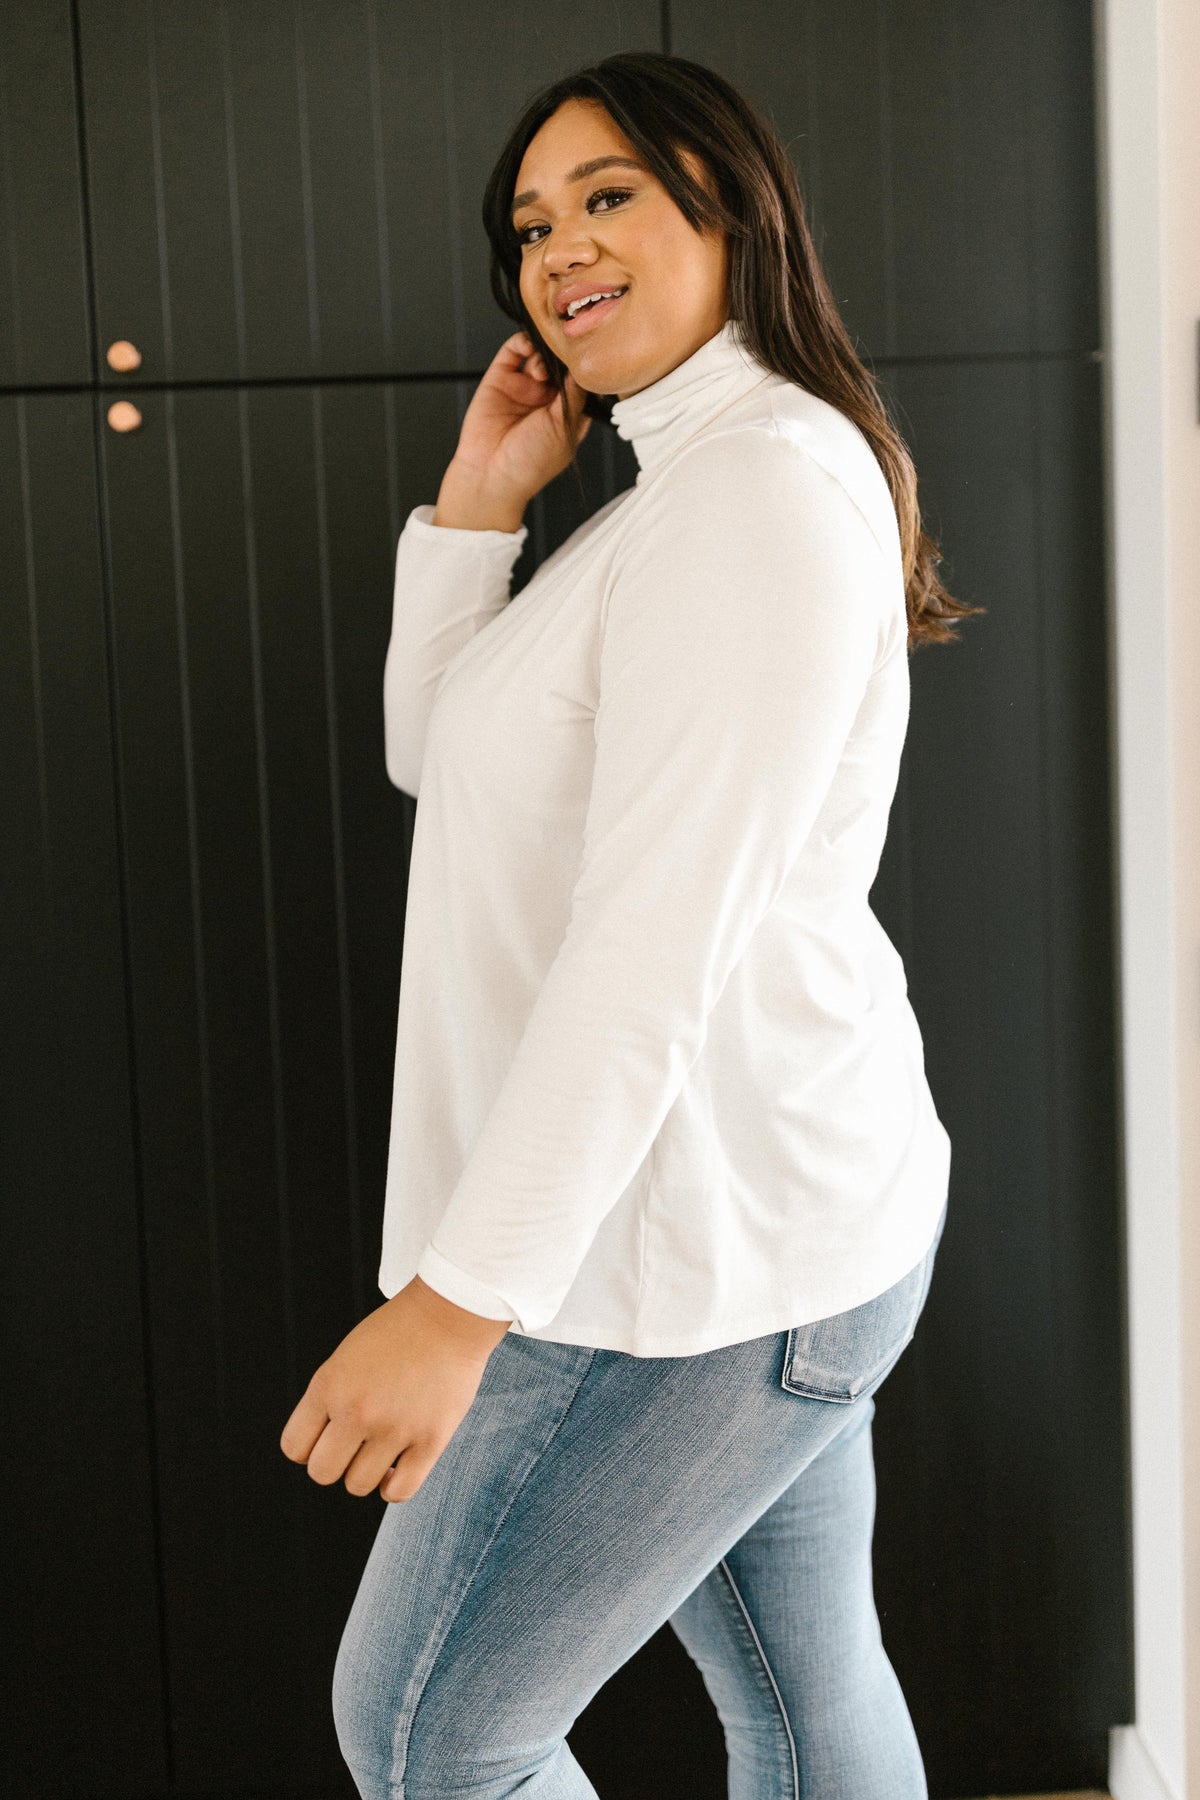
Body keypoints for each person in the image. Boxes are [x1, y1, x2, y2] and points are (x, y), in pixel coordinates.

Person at [280, 49, 981, 1800]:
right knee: (805, 1696)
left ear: (731, 211)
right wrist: (480, 503)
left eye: (608, 197)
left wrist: (457, 1305)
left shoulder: (755, 489)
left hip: (698, 1269)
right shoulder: (684, 488)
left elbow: (649, 948)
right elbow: (441, 754)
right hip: (743, 1234)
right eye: (530, 226)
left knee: (436, 1732)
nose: (559, 251)